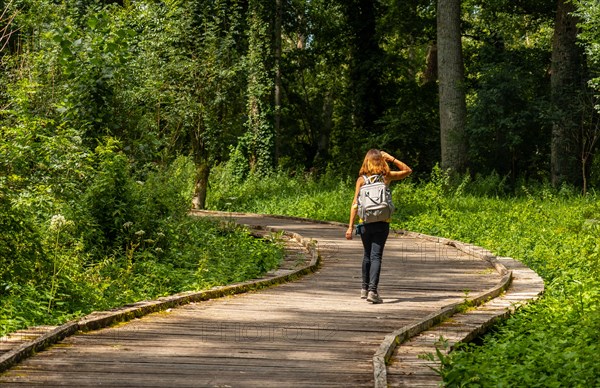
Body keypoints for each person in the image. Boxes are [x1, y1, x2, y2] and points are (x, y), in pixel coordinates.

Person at [345, 149, 412, 304]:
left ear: (366, 161)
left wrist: (350, 227)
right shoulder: (386, 177)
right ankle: (372, 291)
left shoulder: (361, 180)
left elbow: (355, 204)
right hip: (382, 223)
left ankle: (364, 288)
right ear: (381, 161)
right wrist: (392, 158)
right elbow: (408, 170)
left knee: (367, 255)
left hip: (365, 223)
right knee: (376, 256)